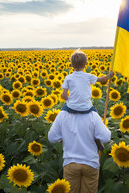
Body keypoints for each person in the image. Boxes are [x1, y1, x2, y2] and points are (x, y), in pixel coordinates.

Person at [48, 49, 112, 193]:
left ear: (71, 64)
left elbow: (52, 138)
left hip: (70, 164)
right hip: (90, 163)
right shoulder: (93, 116)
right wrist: (110, 75)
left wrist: (63, 136)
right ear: (86, 64)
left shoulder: (63, 115)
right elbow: (107, 138)